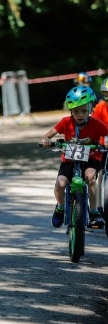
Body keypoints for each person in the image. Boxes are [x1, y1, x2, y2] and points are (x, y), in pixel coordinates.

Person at [40, 85, 108, 229]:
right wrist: (46, 140)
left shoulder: (96, 124)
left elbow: (107, 133)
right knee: (61, 183)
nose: (80, 114)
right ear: (71, 110)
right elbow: (48, 135)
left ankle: (94, 211)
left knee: (90, 177)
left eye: (84, 110)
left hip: (90, 159)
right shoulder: (65, 122)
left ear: (91, 108)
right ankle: (60, 207)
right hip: (69, 160)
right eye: (76, 111)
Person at [91, 77, 108, 213]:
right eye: (106, 93)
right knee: (101, 173)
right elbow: (94, 126)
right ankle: (99, 206)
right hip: (103, 146)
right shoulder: (100, 107)